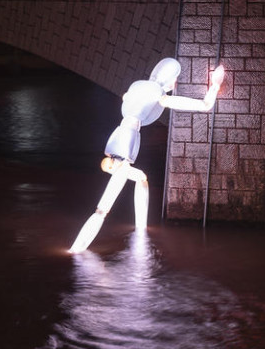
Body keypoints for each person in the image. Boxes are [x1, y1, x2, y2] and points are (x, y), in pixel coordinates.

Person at [68, 58, 225, 254]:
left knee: (141, 178)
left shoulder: (136, 86)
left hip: (118, 137)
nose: (174, 84)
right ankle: (75, 250)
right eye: (174, 80)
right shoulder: (159, 95)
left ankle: (141, 229)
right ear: (169, 80)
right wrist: (215, 85)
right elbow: (204, 105)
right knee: (103, 207)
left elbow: (126, 98)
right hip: (126, 143)